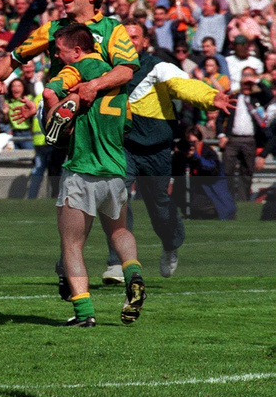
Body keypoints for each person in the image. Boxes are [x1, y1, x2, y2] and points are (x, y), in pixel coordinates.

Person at [17, 24, 145, 327]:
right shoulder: (115, 77)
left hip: (81, 168)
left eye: (60, 52)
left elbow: (52, 96)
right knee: (120, 231)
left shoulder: (75, 72)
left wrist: (49, 108)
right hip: (115, 169)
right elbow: (126, 124)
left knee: (72, 244)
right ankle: (134, 274)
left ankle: (84, 312)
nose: (58, 58)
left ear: (76, 50)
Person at [0, 0, 139, 194]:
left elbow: (126, 70)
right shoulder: (53, 29)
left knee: (105, 217)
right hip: (72, 123)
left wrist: (93, 85)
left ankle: (54, 115)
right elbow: (15, 57)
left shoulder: (111, 28)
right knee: (80, 209)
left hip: (102, 124)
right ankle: (55, 118)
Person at [97, 19, 230, 282]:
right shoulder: (106, 69)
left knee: (159, 208)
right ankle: (118, 262)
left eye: (134, 37)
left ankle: (171, 244)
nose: (129, 42)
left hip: (156, 151)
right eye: (124, 37)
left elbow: (185, 85)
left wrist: (209, 97)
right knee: (115, 197)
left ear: (146, 41)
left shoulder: (159, 67)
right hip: (122, 147)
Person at [216, 67, 273, 201]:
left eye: (249, 77)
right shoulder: (234, 96)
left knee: (247, 172)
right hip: (232, 139)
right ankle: (227, 201)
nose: (247, 83)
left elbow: (269, 95)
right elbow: (220, 118)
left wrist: (256, 80)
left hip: (250, 140)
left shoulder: (256, 98)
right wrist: (221, 135)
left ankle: (243, 201)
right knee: (228, 171)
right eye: (245, 77)